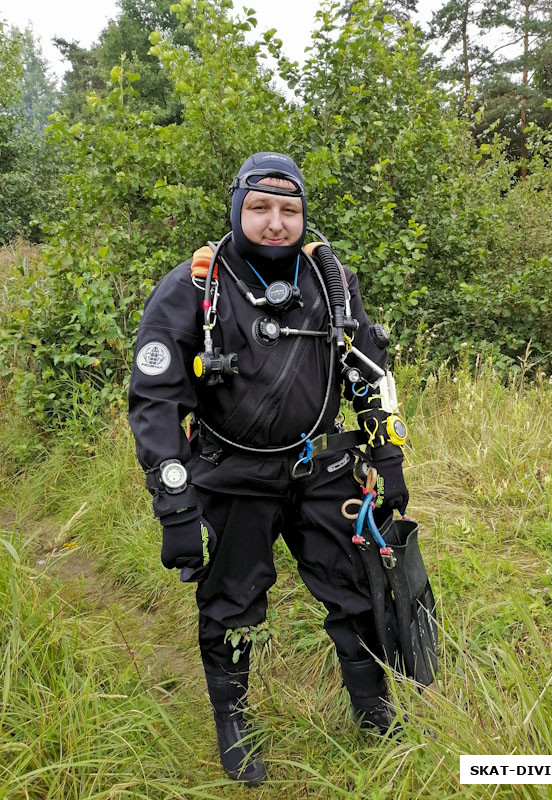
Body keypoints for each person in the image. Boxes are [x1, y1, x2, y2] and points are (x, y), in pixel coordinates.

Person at [128, 152, 410, 786]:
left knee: (356, 591)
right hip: (230, 475)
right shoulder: (194, 286)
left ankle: (373, 712)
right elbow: (154, 399)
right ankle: (235, 723)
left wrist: (386, 453)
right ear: (237, 208)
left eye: (289, 210)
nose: (276, 223)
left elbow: (368, 367)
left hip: (320, 471)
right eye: (260, 208)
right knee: (231, 602)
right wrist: (173, 503)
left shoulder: (330, 280)